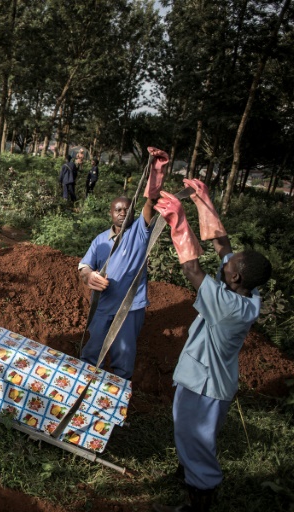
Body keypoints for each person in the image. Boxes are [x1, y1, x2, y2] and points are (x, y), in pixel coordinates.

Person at [152, 179, 272, 512]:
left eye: (230, 267)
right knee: (191, 436)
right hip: (209, 379)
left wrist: (178, 221)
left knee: (196, 439)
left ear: (235, 279)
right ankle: (188, 474)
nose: (226, 263)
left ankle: (198, 498)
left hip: (205, 386)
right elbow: (223, 245)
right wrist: (204, 203)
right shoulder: (247, 292)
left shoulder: (228, 306)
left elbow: (191, 268)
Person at [78, 147, 168, 379]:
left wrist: (156, 171)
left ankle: (114, 403)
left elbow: (151, 202)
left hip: (130, 307)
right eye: (118, 210)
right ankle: (82, 395)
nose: (122, 213)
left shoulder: (139, 232)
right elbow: (84, 266)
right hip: (103, 305)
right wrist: (89, 276)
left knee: (123, 358)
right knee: (91, 351)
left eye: (127, 210)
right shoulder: (100, 240)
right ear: (110, 213)